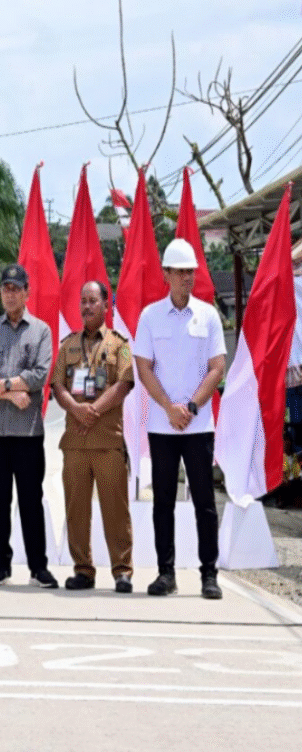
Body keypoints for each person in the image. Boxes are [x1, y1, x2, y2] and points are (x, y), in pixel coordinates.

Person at [134, 238, 226, 600]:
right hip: (162, 426)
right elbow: (143, 366)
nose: (188, 277)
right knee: (163, 503)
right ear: (167, 274)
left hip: (198, 426)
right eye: (181, 271)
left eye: (191, 271)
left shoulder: (209, 315)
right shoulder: (150, 316)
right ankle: (165, 573)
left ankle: (209, 575)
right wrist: (169, 407)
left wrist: (190, 407)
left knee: (204, 500)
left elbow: (217, 367)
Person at [0, 262, 58, 588]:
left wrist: (3, 387)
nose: (10, 294)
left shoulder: (40, 331)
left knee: (30, 499)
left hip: (27, 432)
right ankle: (1, 565)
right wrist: (12, 393)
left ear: (26, 293)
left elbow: (39, 375)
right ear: (0, 293)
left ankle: (39, 566)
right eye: (5, 289)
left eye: (16, 289)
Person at [51, 280, 135, 593]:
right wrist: (75, 408)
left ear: (106, 305)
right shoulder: (68, 344)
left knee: (115, 508)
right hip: (75, 442)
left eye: (93, 301)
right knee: (77, 509)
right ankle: (83, 570)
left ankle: (122, 571)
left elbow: (124, 383)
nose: (87, 306)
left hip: (107, 440)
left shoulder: (120, 344)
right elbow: (58, 385)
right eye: (83, 301)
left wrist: (93, 410)